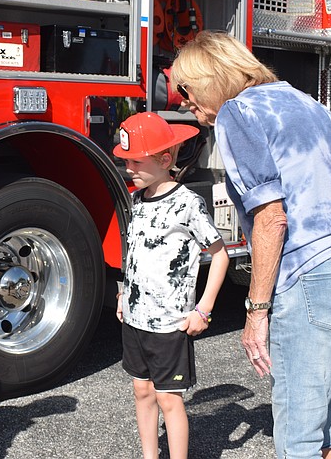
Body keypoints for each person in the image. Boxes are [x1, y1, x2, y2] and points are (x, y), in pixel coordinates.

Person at [170, 31, 331, 459]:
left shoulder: (237, 113)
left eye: (187, 90)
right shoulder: (303, 101)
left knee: (299, 439)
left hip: (307, 279)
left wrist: (256, 312)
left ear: (211, 78)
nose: (185, 103)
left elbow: (271, 218)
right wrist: (311, 186)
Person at [114, 112, 229, 459]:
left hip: (169, 323)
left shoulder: (187, 204)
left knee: (168, 398)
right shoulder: (137, 200)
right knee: (141, 391)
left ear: (165, 159)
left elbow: (220, 255)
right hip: (135, 318)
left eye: (136, 161)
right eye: (126, 161)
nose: (129, 168)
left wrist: (203, 311)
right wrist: (123, 291)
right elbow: (132, 250)